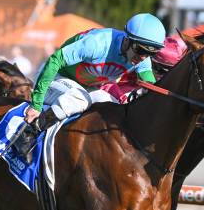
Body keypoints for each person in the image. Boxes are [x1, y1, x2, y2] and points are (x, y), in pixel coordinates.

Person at [14, 13, 166, 158]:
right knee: (79, 98)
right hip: (56, 77)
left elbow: (152, 86)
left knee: (113, 106)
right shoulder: (97, 43)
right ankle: (31, 130)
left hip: (86, 87)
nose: (142, 58)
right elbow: (55, 60)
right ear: (127, 40)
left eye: (149, 54)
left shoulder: (142, 58)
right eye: (140, 50)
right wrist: (36, 104)